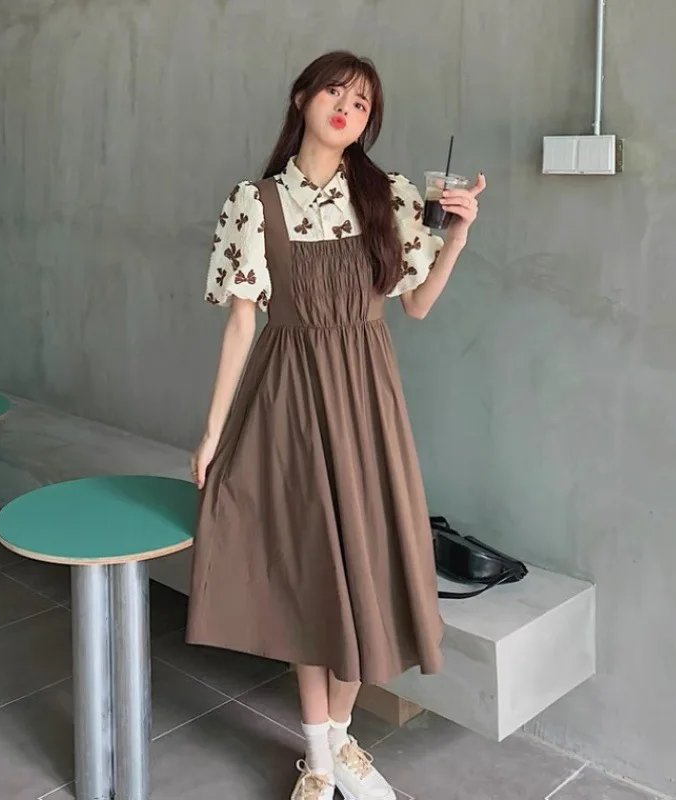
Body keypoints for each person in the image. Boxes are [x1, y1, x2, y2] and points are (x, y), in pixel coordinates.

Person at [186, 50, 484, 800]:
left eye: (363, 103)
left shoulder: (389, 195)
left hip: (368, 403)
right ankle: (319, 761)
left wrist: (456, 238)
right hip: (287, 401)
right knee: (312, 572)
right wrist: (213, 430)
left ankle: (342, 739)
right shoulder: (255, 201)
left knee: (371, 567)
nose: (348, 108)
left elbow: (416, 304)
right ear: (303, 98)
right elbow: (242, 324)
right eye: (335, 92)